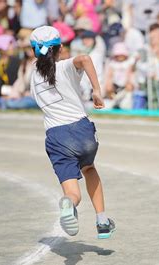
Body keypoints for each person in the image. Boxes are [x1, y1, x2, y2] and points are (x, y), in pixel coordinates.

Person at [29, 26, 116, 238]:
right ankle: (102, 221)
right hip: (81, 130)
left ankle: (70, 204)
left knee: (71, 192)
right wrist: (96, 90)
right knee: (89, 169)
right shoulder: (64, 67)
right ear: (59, 49)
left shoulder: (33, 77)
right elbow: (85, 58)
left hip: (56, 136)